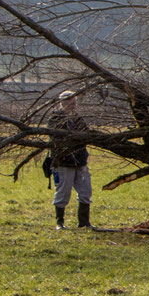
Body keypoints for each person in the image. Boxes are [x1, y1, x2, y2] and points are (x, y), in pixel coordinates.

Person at [49, 90, 95, 230]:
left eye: (74, 102)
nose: (72, 105)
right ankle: (59, 223)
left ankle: (84, 222)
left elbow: (86, 135)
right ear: (62, 102)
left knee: (85, 192)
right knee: (63, 192)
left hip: (80, 160)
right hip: (63, 162)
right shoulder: (55, 118)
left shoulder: (78, 118)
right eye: (69, 102)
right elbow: (56, 138)